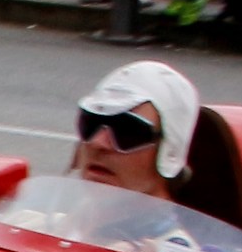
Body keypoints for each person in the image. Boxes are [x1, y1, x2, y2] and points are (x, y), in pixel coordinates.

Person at [71, 60, 199, 201]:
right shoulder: (54, 220)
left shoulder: (171, 224)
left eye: (126, 130)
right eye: (91, 123)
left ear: (169, 153)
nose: (97, 143)